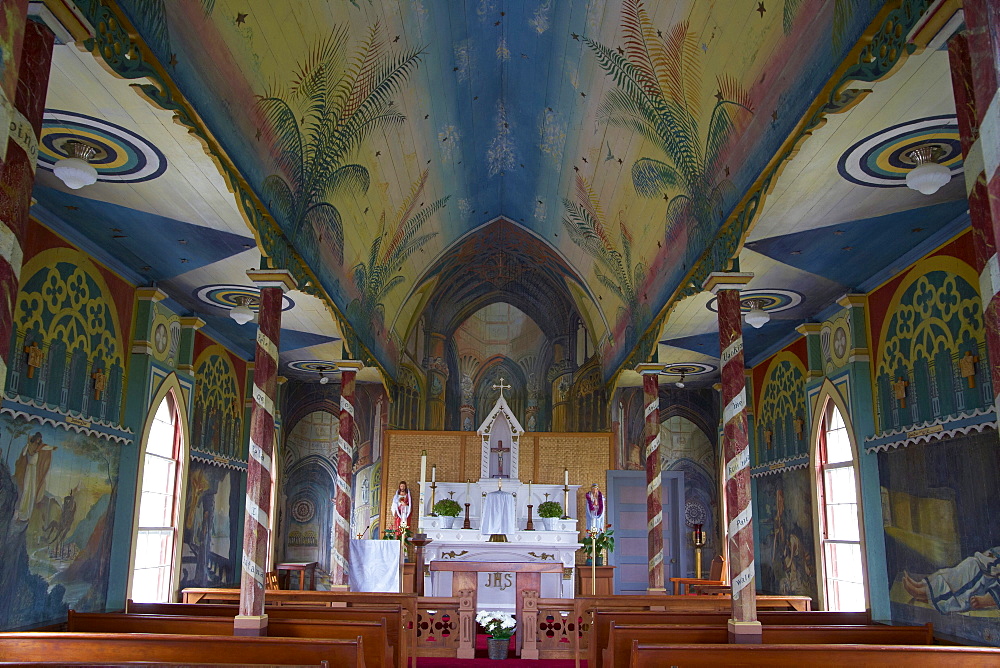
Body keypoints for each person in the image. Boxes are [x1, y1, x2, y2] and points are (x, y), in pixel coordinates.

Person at [902, 547, 1000, 613]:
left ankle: (930, 594)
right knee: (971, 563)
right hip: (992, 566)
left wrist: (991, 598)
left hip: (991, 582)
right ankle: (926, 587)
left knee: (973, 576)